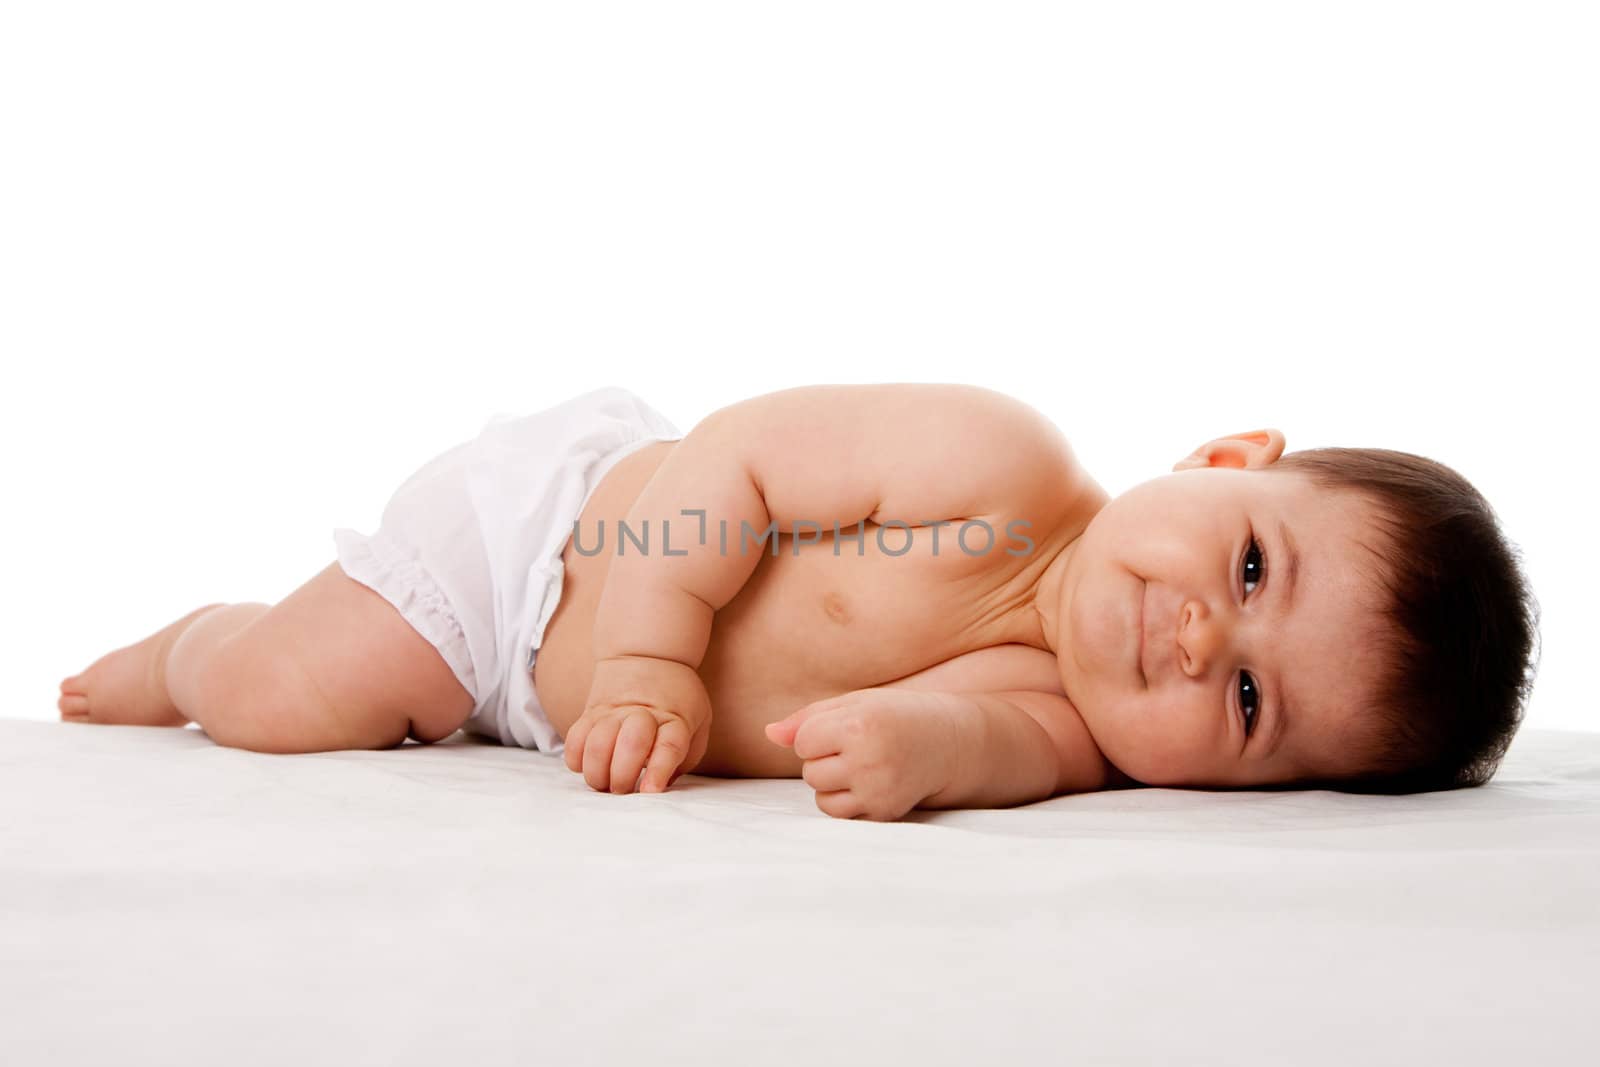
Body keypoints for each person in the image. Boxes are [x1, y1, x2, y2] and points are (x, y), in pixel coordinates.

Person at [57, 384, 1541, 821]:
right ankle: (196, 643)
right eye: (1253, 568)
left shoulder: (1066, 735)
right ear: (1225, 458)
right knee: (271, 710)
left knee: (361, 723)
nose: (1202, 636)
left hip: (547, 719)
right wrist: (642, 657)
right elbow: (733, 467)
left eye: (1248, 704)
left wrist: (907, 760)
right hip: (547, 558)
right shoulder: (1000, 467)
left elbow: (961, 740)